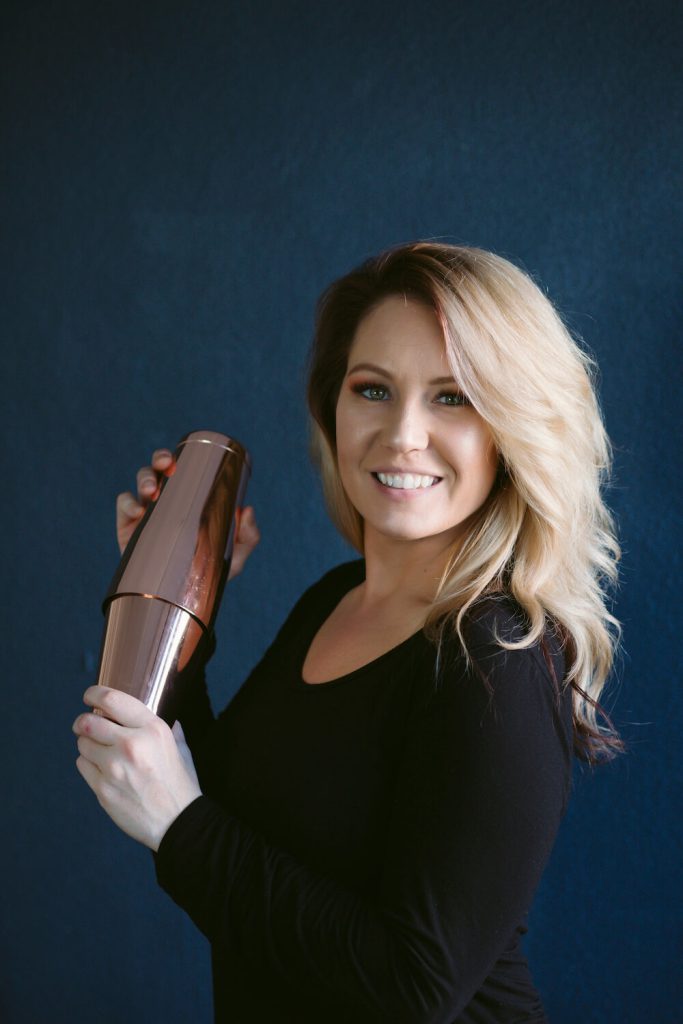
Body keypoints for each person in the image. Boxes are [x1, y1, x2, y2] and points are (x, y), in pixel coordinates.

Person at [73, 241, 623, 1023]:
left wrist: (181, 828)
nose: (401, 434)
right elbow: (227, 818)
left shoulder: (498, 661)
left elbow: (414, 987)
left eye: (452, 397)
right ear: (333, 407)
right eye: (373, 389)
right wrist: (180, 597)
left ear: (512, 430)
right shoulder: (336, 599)